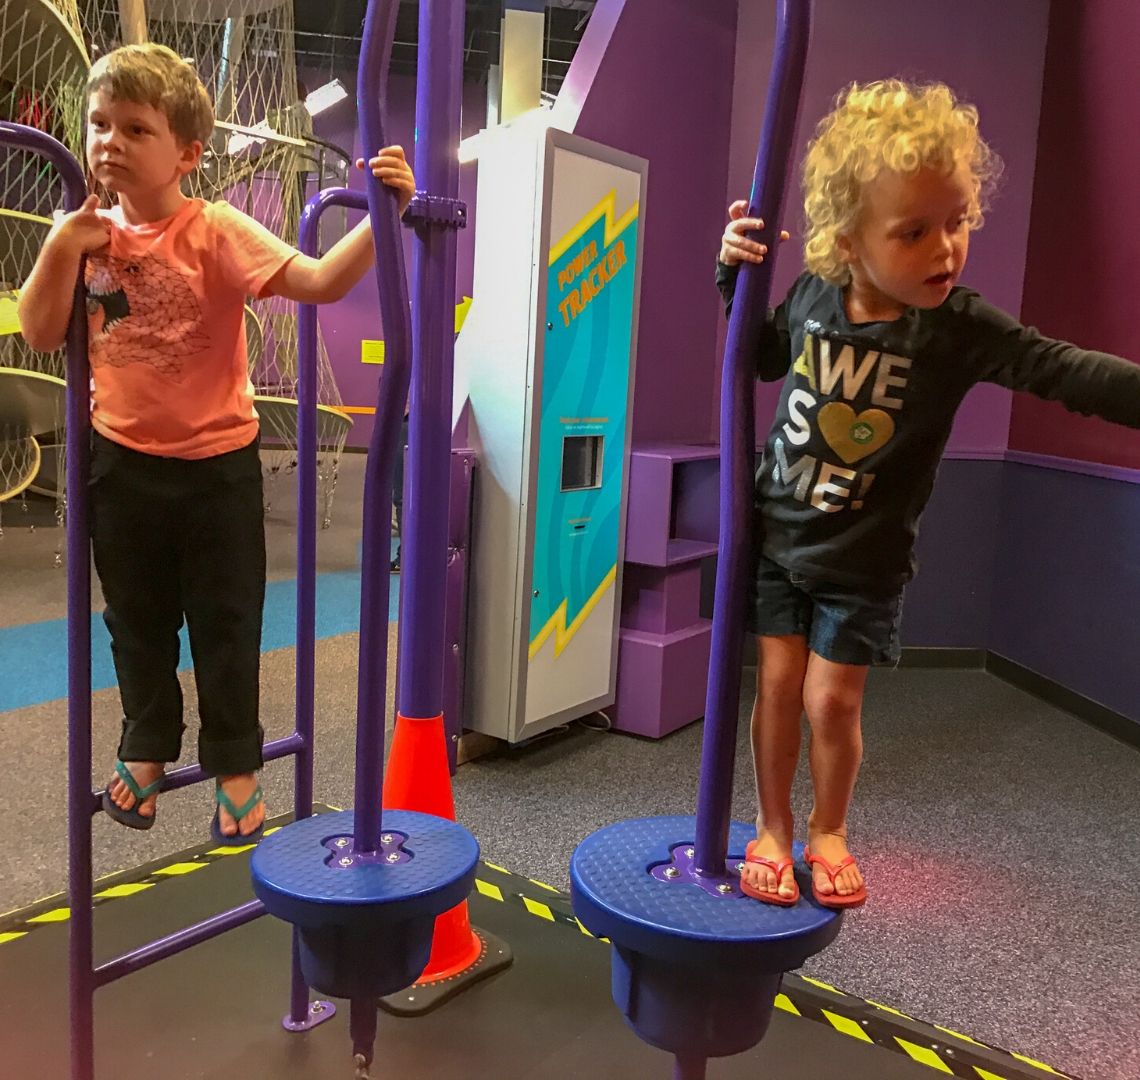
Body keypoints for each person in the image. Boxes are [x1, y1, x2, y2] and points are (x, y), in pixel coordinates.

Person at [716, 80, 1140, 908]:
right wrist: (733, 274)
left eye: (958, 223)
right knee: (774, 689)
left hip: (864, 559)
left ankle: (827, 829)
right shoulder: (810, 296)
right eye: (914, 232)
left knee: (830, 701)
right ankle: (769, 826)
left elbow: (1061, 370)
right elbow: (760, 358)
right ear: (849, 240)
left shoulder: (956, 328)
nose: (945, 249)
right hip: (778, 533)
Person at [17, 43, 416, 844]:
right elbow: (36, 330)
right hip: (121, 466)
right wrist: (62, 244)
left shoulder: (217, 229)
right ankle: (147, 747)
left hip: (217, 469)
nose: (109, 143)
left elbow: (317, 281)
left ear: (188, 154)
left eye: (135, 128)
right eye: (100, 124)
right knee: (136, 620)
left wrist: (382, 215)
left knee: (226, 620)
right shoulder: (83, 235)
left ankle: (236, 760)